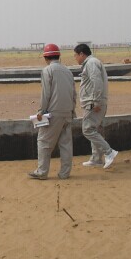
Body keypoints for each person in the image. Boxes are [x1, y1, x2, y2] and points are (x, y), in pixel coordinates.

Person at [28, 43, 76, 180]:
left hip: (53, 113)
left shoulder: (47, 70)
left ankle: (42, 172)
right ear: (58, 56)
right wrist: (72, 111)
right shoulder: (67, 71)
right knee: (66, 144)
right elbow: (74, 94)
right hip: (68, 112)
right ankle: (65, 173)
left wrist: (41, 111)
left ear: (45, 58)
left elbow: (46, 94)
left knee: (43, 141)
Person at [73, 43, 118, 169]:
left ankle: (109, 152)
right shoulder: (91, 63)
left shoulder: (91, 63)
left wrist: (96, 101)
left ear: (82, 54)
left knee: (87, 130)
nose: (75, 58)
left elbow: (97, 81)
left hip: (93, 103)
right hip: (93, 102)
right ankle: (96, 159)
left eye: (75, 55)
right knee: (94, 129)